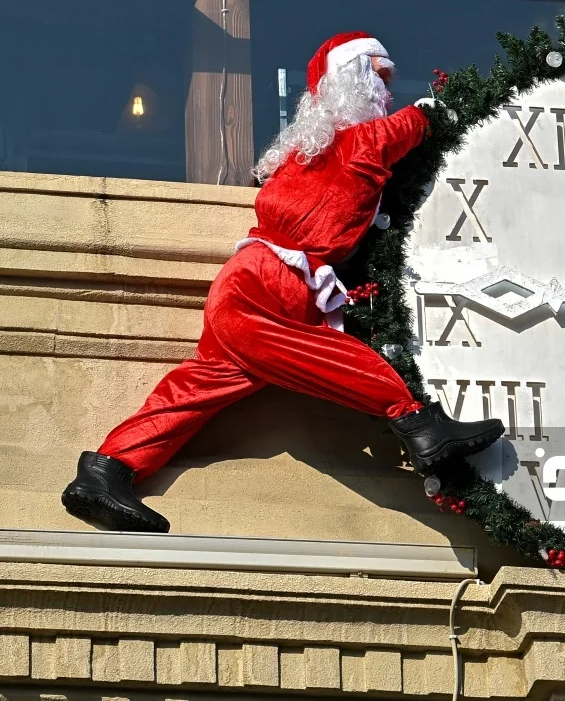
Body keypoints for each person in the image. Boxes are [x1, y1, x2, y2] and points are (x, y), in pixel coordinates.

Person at [62, 32, 504, 534]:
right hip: (265, 284)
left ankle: (107, 470)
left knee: (198, 387)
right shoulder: (360, 141)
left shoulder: (304, 153)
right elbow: (412, 125)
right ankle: (418, 425)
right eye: (379, 77)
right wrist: (435, 109)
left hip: (257, 279)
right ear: (352, 81)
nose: (387, 91)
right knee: (325, 355)